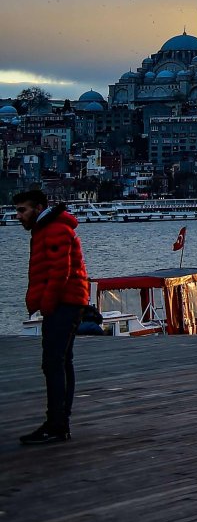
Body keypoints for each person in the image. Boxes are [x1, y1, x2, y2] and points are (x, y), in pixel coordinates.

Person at [13, 189, 90, 445]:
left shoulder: (55, 229)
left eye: (22, 210)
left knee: (53, 363)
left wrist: (45, 304)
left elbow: (60, 272)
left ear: (39, 207)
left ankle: (56, 424)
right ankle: (59, 423)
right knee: (61, 362)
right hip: (67, 302)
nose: (18, 215)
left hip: (63, 304)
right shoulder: (47, 228)